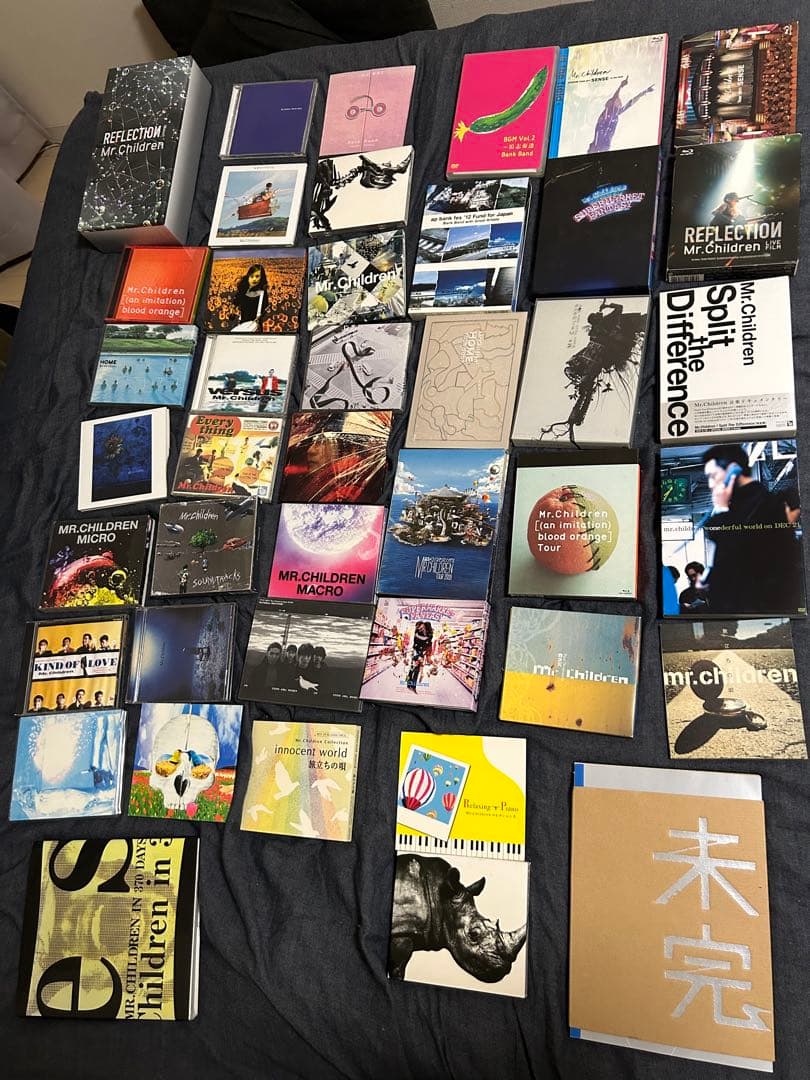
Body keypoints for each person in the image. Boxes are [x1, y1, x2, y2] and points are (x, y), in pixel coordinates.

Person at [700, 444, 802, 614]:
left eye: (713, 475)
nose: (710, 484)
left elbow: (742, 557)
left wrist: (722, 509)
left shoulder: (764, 506)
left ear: (733, 471)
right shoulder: (742, 506)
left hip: (756, 611)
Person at [233, 264, 268, 329]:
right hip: (242, 326)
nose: (254, 279)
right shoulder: (242, 291)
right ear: (248, 276)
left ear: (261, 278)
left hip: (256, 328)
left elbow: (265, 308)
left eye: (257, 276)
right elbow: (235, 304)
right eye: (251, 276)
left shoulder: (263, 294)